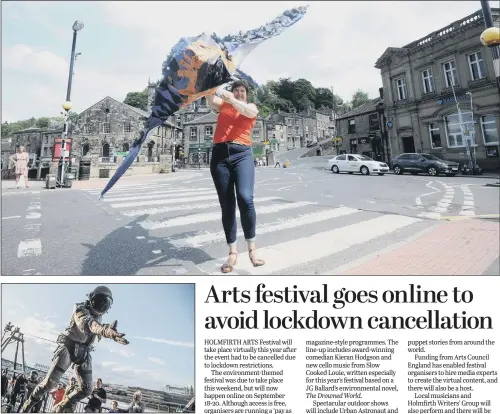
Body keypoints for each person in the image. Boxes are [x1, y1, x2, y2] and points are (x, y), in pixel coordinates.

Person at [21, 286, 129, 413]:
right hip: (68, 346)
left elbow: (95, 325)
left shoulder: (98, 318)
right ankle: (28, 405)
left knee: (87, 389)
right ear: (92, 299)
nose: (101, 306)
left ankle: (62, 406)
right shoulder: (80, 308)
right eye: (100, 302)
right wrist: (105, 330)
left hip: (84, 352)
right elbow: (88, 324)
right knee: (49, 384)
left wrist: (107, 331)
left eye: (105, 304)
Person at [206, 80, 266, 273]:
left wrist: (230, 97)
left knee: (245, 197)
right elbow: (208, 97)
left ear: (246, 95)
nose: (240, 93)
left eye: (243, 91)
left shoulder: (250, 107)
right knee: (227, 205)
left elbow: (249, 112)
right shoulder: (223, 104)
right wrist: (207, 84)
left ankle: (252, 249)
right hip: (219, 156)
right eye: (236, 90)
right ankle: (232, 253)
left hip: (242, 155)